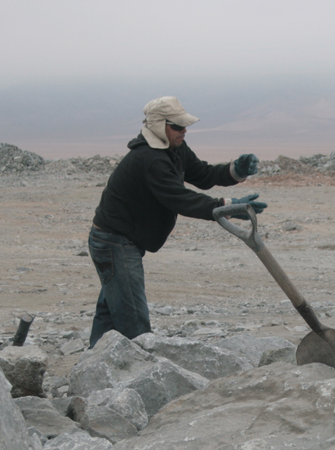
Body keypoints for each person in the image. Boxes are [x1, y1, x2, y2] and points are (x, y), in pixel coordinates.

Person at [88, 96, 267, 347]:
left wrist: (236, 170)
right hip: (114, 242)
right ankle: (140, 372)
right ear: (160, 126)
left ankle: (92, 366)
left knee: (111, 311)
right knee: (134, 321)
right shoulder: (150, 159)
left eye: (185, 126)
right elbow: (180, 199)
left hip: (120, 240)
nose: (184, 131)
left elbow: (202, 174)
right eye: (178, 126)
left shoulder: (173, 148)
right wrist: (227, 206)